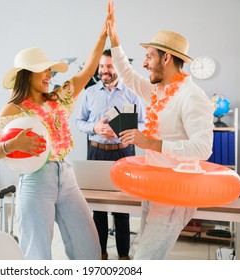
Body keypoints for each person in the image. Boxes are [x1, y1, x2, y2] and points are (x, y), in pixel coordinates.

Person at [0, 18, 108, 260]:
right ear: (27, 74)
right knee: (37, 254)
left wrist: (103, 35)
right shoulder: (12, 109)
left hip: (67, 177)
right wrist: (12, 145)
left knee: (88, 246)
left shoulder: (58, 99)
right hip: (35, 180)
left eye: (50, 70)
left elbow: (87, 72)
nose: (50, 74)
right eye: (45, 70)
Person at [105, 2, 214, 260]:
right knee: (148, 256)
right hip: (154, 187)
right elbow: (129, 76)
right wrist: (115, 40)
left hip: (175, 192)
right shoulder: (158, 90)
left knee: (146, 260)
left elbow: (203, 149)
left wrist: (151, 143)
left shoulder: (191, 96)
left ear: (166, 58)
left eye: (149, 56)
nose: (144, 63)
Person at [76, 49, 145, 260]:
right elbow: (79, 122)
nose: (104, 71)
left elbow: (144, 122)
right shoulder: (89, 93)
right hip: (96, 152)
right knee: (98, 208)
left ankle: (124, 255)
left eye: (109, 66)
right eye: (102, 66)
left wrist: (126, 130)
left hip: (123, 153)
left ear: (119, 68)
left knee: (122, 207)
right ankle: (101, 253)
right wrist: (94, 128)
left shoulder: (132, 93)